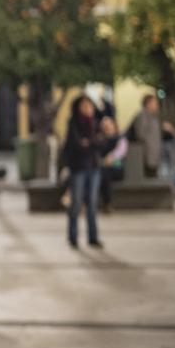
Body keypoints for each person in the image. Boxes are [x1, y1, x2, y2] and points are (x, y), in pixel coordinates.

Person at [63, 95, 104, 249]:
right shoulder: (73, 124)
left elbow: (100, 142)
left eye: (90, 106)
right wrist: (90, 142)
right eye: (84, 106)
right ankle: (72, 237)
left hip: (94, 167)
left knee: (92, 204)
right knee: (76, 203)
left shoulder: (95, 123)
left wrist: (90, 142)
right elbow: (75, 144)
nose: (88, 108)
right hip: (78, 168)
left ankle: (93, 237)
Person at [128, 94, 172, 178]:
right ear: (149, 103)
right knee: (149, 178)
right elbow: (141, 134)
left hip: (154, 154)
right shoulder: (143, 115)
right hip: (147, 154)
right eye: (155, 103)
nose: (157, 105)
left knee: (153, 177)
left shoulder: (153, 116)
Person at [97, 116, 127, 212]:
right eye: (104, 126)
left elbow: (120, 153)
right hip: (102, 168)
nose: (107, 127)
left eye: (108, 125)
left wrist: (111, 158)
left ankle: (107, 204)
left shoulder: (121, 139)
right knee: (101, 173)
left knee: (104, 173)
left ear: (113, 125)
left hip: (117, 167)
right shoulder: (99, 139)